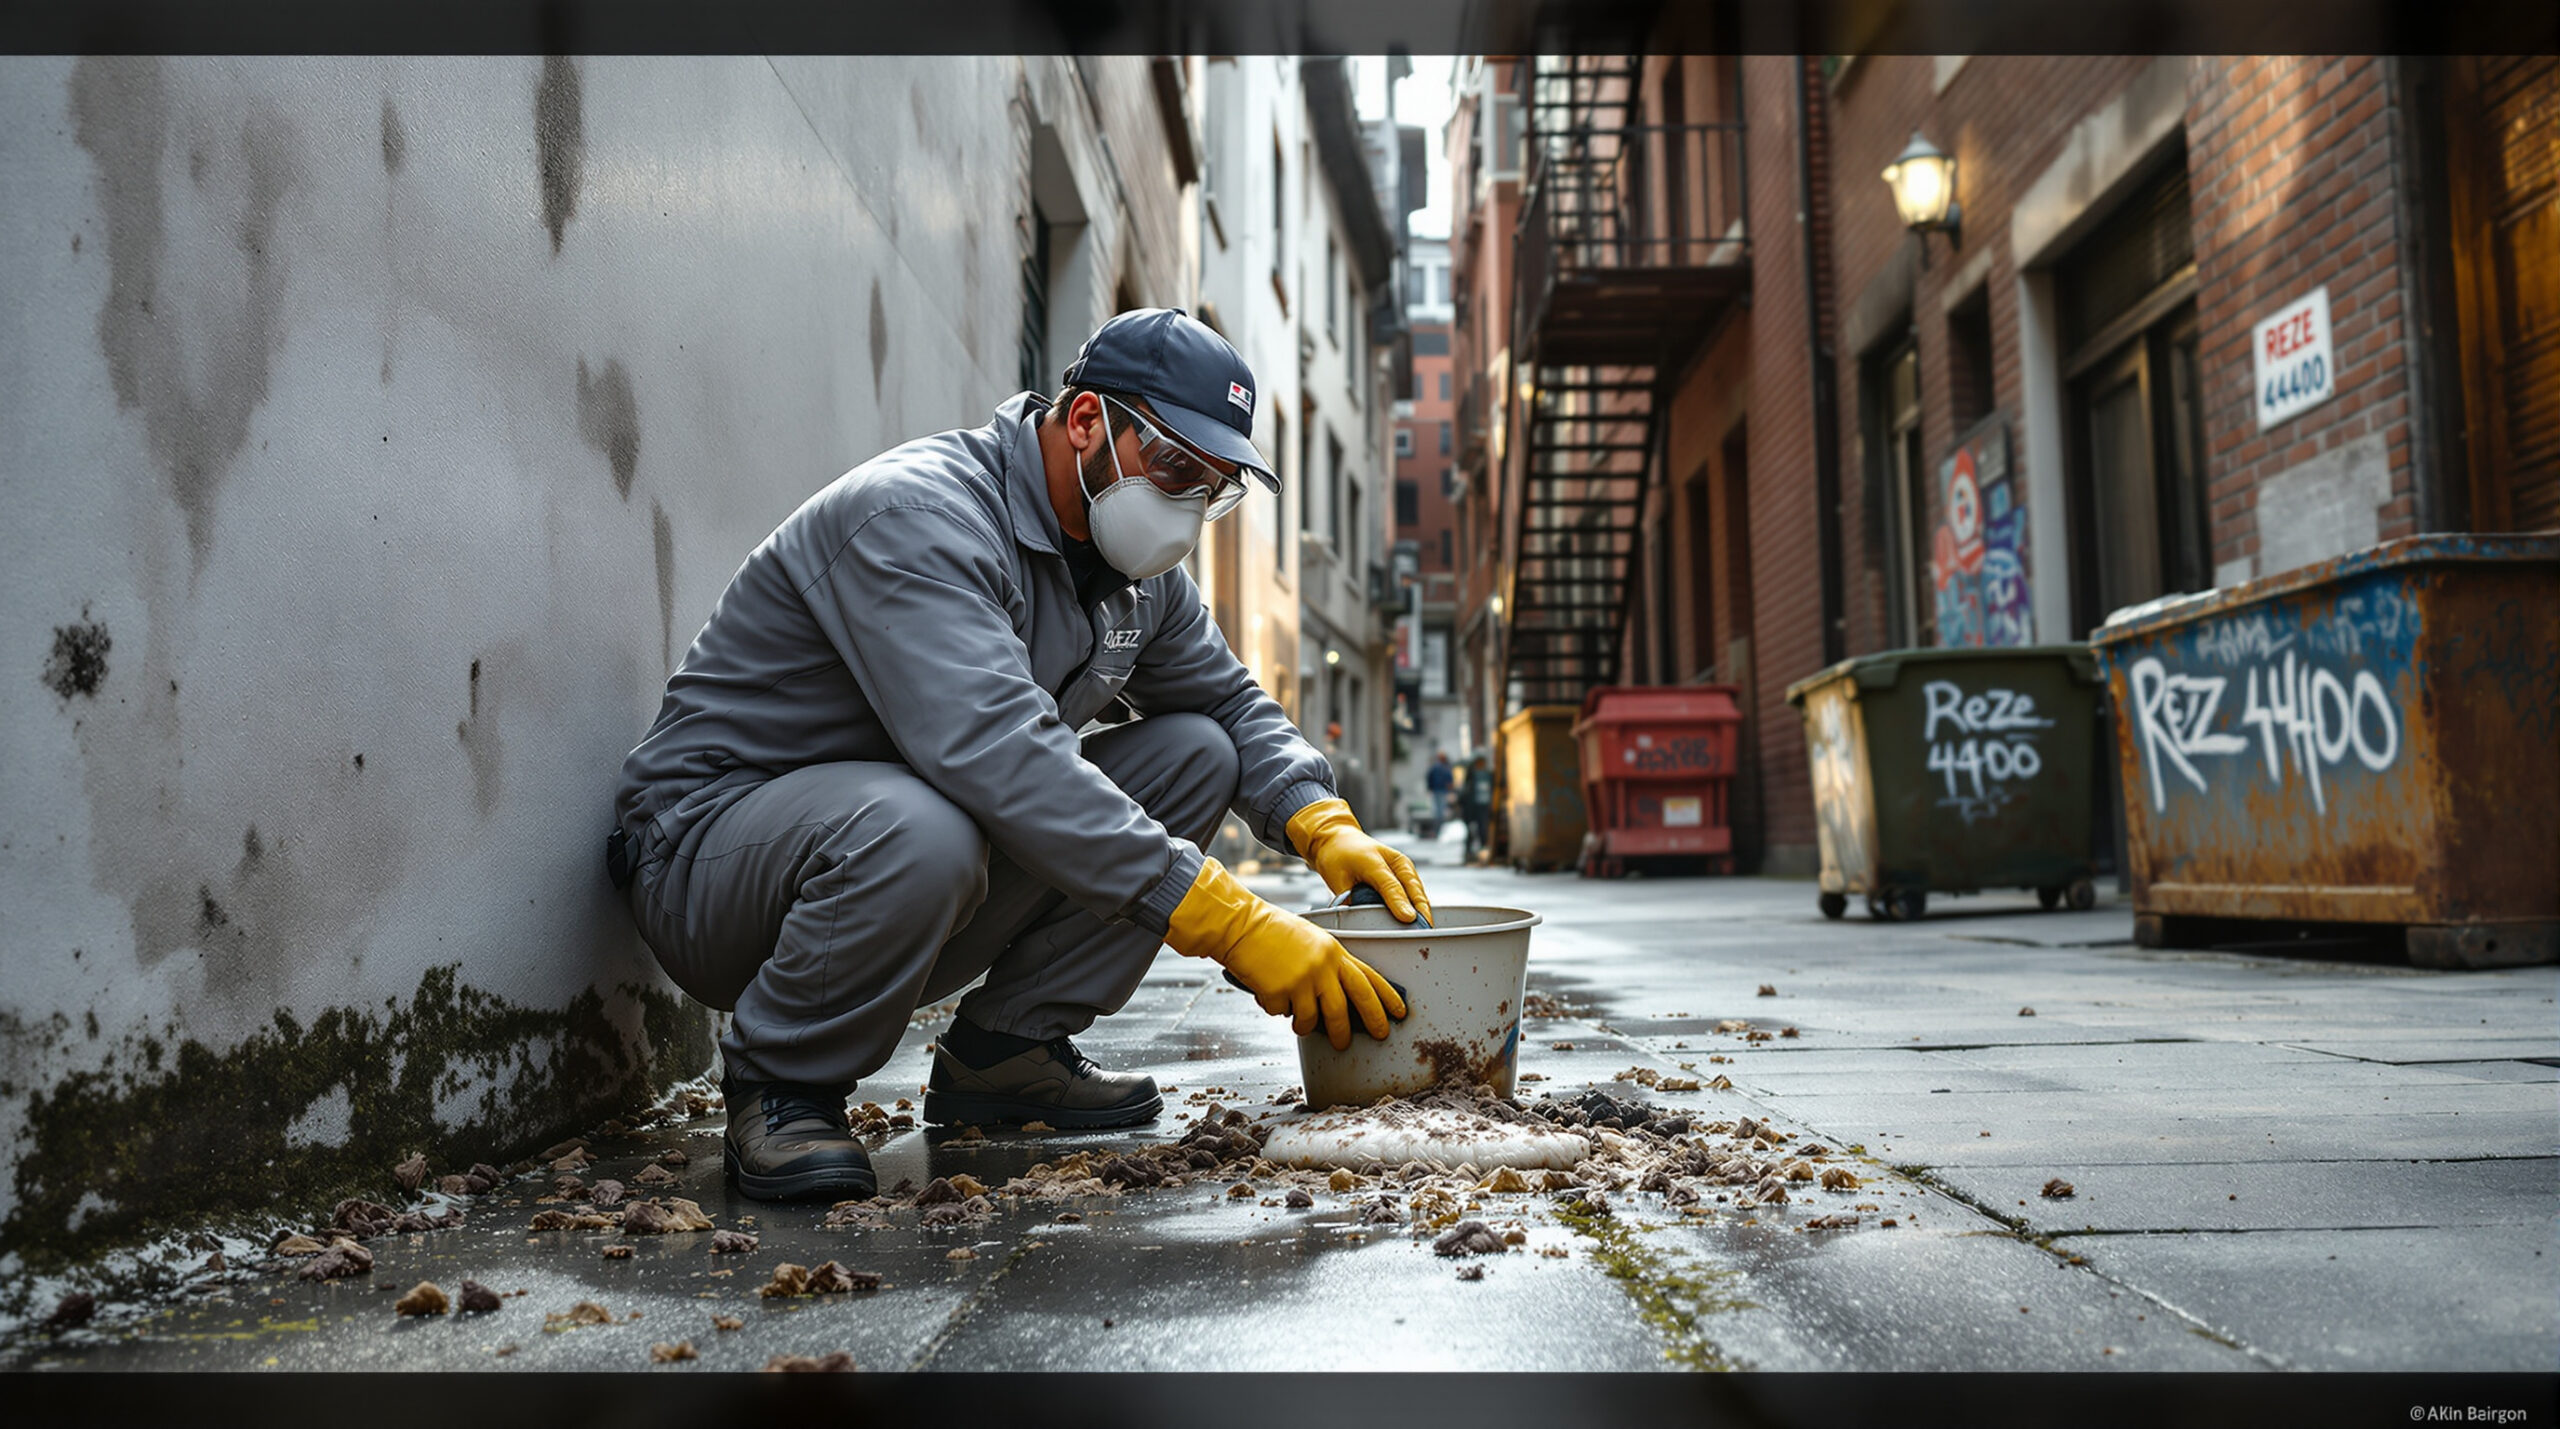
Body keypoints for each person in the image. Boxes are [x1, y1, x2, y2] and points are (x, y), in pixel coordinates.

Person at [608, 309, 1429, 1201]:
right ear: (1086, 423)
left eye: (1213, 484)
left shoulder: (1138, 579)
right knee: (926, 825)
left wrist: (1320, 819)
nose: (1189, 504)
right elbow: (1002, 753)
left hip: (895, 853)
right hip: (710, 861)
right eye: (1174, 466)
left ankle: (1006, 1054)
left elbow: (1227, 703)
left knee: (1195, 751)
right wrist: (1232, 923)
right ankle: (783, 1083)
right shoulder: (920, 516)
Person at [1459, 753, 1494, 863]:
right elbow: (1465, 794)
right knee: (1472, 831)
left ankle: (1482, 852)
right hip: (1472, 808)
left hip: (1483, 806)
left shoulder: (1488, 774)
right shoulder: (1472, 775)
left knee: (1482, 830)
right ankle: (1470, 853)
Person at [1425, 751, 1455, 834]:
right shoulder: (1446, 768)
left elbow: (1429, 777)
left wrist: (1430, 788)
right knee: (1441, 811)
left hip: (1436, 791)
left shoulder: (1434, 767)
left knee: (1437, 811)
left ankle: (1437, 829)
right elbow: (1450, 780)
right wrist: (1451, 790)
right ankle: (1439, 829)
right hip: (1442, 791)